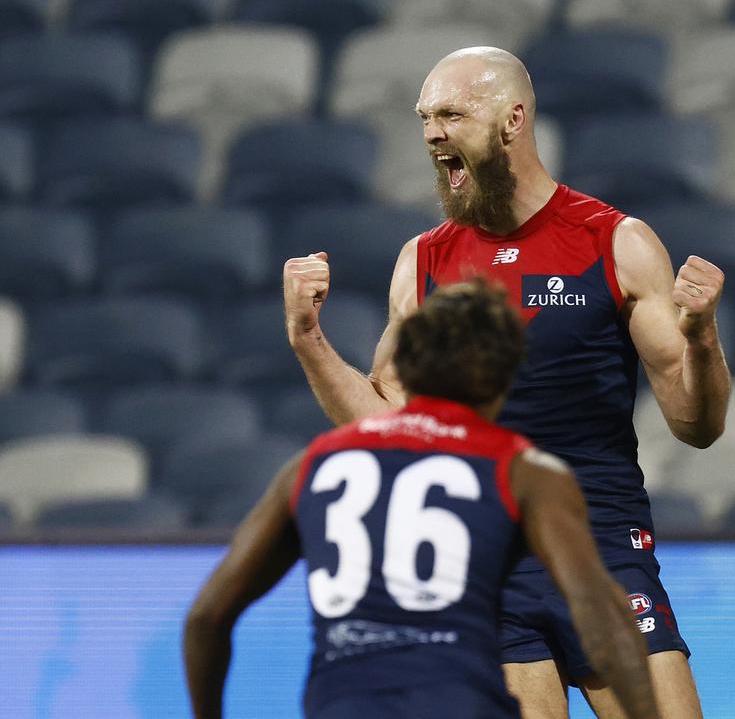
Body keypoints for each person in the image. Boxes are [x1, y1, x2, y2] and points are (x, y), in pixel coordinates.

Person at [281, 47, 726, 717]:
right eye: (425, 117)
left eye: (451, 114)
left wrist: (701, 338)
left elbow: (696, 425)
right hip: (483, 553)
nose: (432, 132)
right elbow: (385, 429)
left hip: (600, 543)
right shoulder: (424, 261)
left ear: (513, 120)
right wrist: (308, 341)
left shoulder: (614, 243)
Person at [184, 279, 659, 719]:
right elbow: (599, 616)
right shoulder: (521, 469)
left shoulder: (314, 464)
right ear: (503, 373)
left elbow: (207, 617)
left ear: (405, 366)